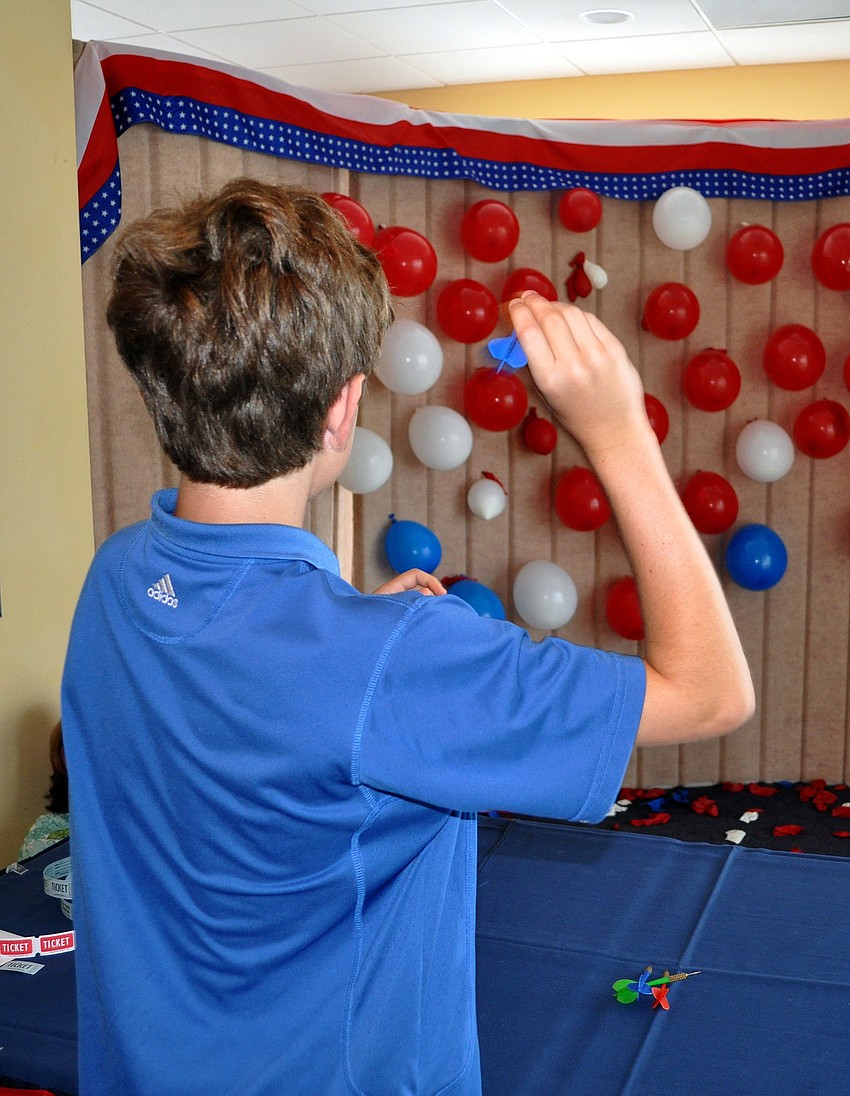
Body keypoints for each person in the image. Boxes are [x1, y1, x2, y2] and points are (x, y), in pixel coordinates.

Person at [61, 178, 753, 1095]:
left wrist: (363, 637)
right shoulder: (386, 662)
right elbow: (713, 692)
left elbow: (256, 688)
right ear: (343, 408)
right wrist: (619, 433)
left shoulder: (116, 577)